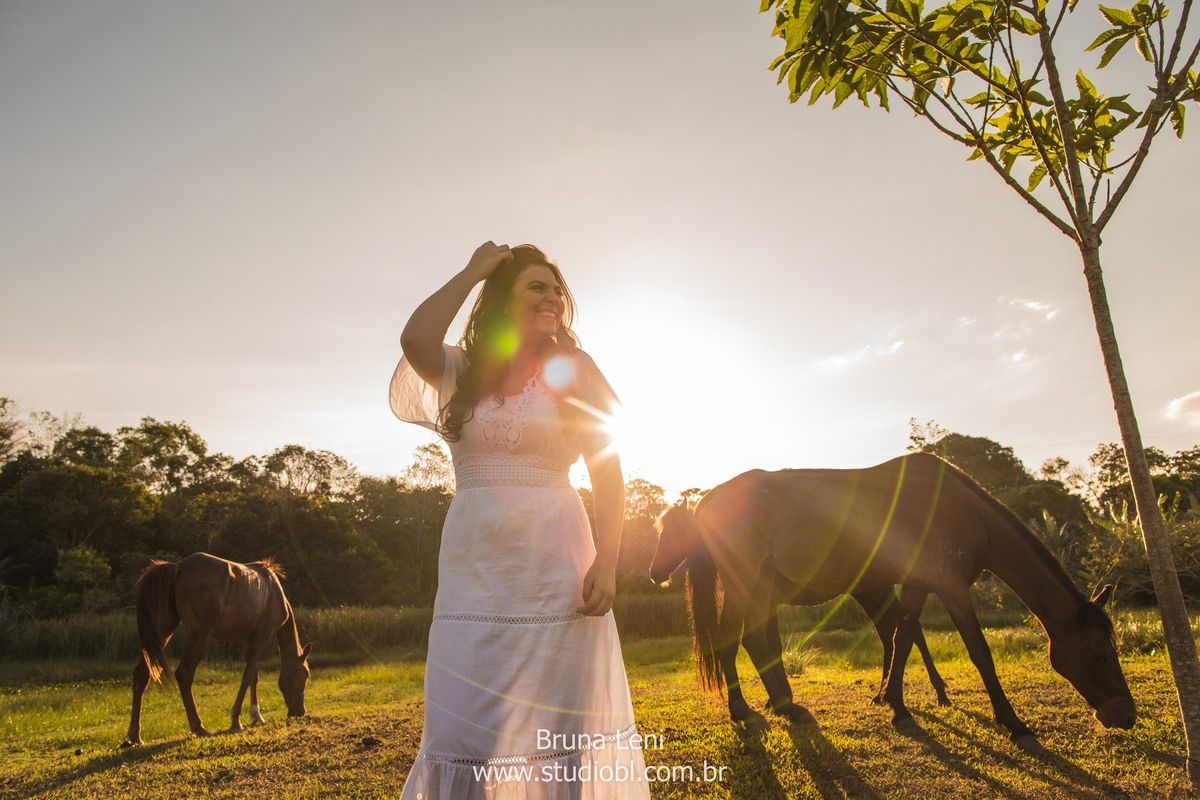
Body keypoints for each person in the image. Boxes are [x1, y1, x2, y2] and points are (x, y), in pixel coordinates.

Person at [390, 241, 651, 799]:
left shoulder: (573, 369)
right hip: (473, 570)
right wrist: (472, 271)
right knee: (464, 727)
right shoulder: (460, 368)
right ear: (502, 300)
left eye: (557, 288)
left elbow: (608, 469)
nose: (553, 296)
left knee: (562, 727)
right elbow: (414, 339)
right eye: (537, 285)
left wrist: (608, 560)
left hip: (556, 570)